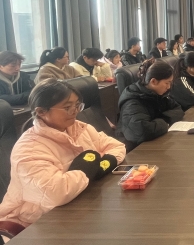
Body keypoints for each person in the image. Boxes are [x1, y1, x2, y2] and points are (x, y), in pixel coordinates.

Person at [0, 79, 126, 228]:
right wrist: (86, 169)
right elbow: (57, 193)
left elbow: (117, 146)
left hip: (78, 205)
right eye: (67, 107)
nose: (76, 111)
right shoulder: (28, 149)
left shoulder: (79, 128)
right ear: (41, 112)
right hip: (34, 223)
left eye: (77, 105)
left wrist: (103, 165)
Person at [117, 59, 184, 150]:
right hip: (135, 149)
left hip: (155, 141)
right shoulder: (132, 101)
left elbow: (178, 109)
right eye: (167, 83)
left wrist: (162, 120)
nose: (169, 87)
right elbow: (142, 131)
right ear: (153, 82)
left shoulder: (157, 93)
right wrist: (165, 122)